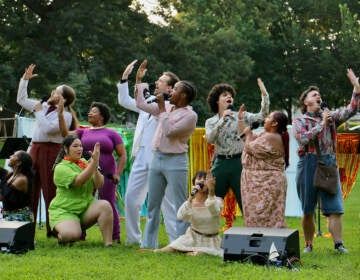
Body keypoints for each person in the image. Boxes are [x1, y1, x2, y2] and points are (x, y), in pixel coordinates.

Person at [292, 68, 360, 253]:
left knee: (335, 207)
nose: (319, 97)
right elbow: (303, 138)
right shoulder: (300, 120)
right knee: (308, 209)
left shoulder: (331, 118)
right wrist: (322, 124)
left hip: (328, 163)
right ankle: (308, 244)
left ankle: (339, 244)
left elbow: (352, 109)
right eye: (314, 95)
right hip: (308, 163)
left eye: (319, 95)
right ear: (306, 101)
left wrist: (356, 87)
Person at [136, 60, 198, 249]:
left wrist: (162, 109)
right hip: (158, 158)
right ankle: (148, 244)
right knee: (153, 205)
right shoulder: (167, 107)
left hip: (176, 162)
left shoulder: (190, 115)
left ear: (184, 95)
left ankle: (181, 244)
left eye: (175, 89)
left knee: (180, 205)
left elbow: (170, 130)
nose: (171, 92)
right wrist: (139, 81)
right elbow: (141, 104)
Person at [117, 60, 177, 246]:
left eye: (160, 80)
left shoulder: (174, 106)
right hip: (142, 154)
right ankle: (134, 238)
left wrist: (141, 85)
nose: (156, 82)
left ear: (170, 88)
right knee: (132, 197)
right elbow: (125, 101)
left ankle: (176, 239)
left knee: (167, 201)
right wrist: (127, 78)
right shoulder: (149, 101)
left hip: (161, 155)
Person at [16, 64, 77, 237]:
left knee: (51, 189)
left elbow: (48, 129)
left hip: (51, 150)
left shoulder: (65, 115)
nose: (52, 93)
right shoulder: (42, 106)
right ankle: (28, 228)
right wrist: (25, 80)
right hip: (35, 148)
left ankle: (54, 228)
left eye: (57, 92)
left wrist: (37, 112)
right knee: (29, 187)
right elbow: (21, 99)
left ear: (64, 99)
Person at [58, 101, 126, 243]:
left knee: (108, 202)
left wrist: (117, 174)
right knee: (82, 200)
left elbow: (122, 155)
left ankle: (114, 236)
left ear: (102, 116)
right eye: (90, 111)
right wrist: (60, 114)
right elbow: (65, 134)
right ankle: (80, 235)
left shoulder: (112, 133)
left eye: (93, 111)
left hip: (107, 172)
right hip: (85, 170)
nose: (90, 113)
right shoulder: (82, 131)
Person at [205, 80, 269, 228]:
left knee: (246, 203)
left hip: (239, 163)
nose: (229, 97)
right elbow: (209, 138)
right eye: (224, 95)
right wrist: (222, 120)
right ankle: (206, 236)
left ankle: (253, 236)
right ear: (216, 100)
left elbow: (262, 116)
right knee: (211, 202)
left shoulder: (242, 115)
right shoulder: (211, 121)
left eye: (231, 95)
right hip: (220, 164)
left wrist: (264, 95)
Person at [49, 134, 113, 247]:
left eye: (80, 146)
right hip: (65, 211)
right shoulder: (61, 168)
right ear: (65, 148)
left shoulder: (85, 162)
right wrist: (93, 164)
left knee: (105, 205)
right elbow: (79, 180)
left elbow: (99, 184)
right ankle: (64, 234)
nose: (79, 149)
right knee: (72, 235)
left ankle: (109, 244)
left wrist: (95, 166)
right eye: (75, 146)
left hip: (85, 208)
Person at [238, 108, 289, 228]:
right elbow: (246, 138)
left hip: (266, 183)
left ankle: (270, 244)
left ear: (274, 123)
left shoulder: (271, 136)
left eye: (268, 117)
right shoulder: (265, 135)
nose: (265, 120)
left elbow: (249, 148)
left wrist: (248, 132)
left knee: (264, 217)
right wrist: (240, 120)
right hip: (257, 182)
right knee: (256, 217)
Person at [152, 171, 224, 257]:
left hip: (210, 240)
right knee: (167, 249)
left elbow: (215, 212)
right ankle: (185, 250)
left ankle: (190, 252)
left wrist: (211, 192)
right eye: (199, 178)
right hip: (192, 237)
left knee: (200, 253)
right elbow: (180, 216)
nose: (201, 181)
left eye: (205, 179)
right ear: (194, 183)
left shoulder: (217, 200)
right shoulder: (191, 203)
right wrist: (190, 199)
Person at [0, 151, 34, 222]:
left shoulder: (21, 180)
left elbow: (2, 196)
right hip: (10, 215)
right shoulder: (12, 175)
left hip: (20, 217)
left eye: (14, 155)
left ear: (18, 163)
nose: (10, 156)